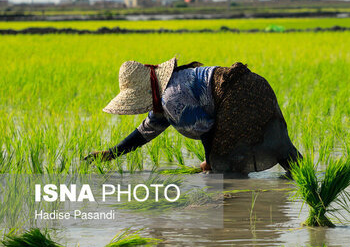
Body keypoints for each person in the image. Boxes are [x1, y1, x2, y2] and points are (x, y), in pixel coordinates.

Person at [85, 58, 301, 175]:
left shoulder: (172, 99)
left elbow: (206, 128)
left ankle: (238, 215)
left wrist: (210, 161)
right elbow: (144, 133)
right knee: (277, 142)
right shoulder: (166, 93)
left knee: (223, 166)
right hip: (254, 85)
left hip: (238, 96)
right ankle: (305, 178)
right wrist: (111, 154)